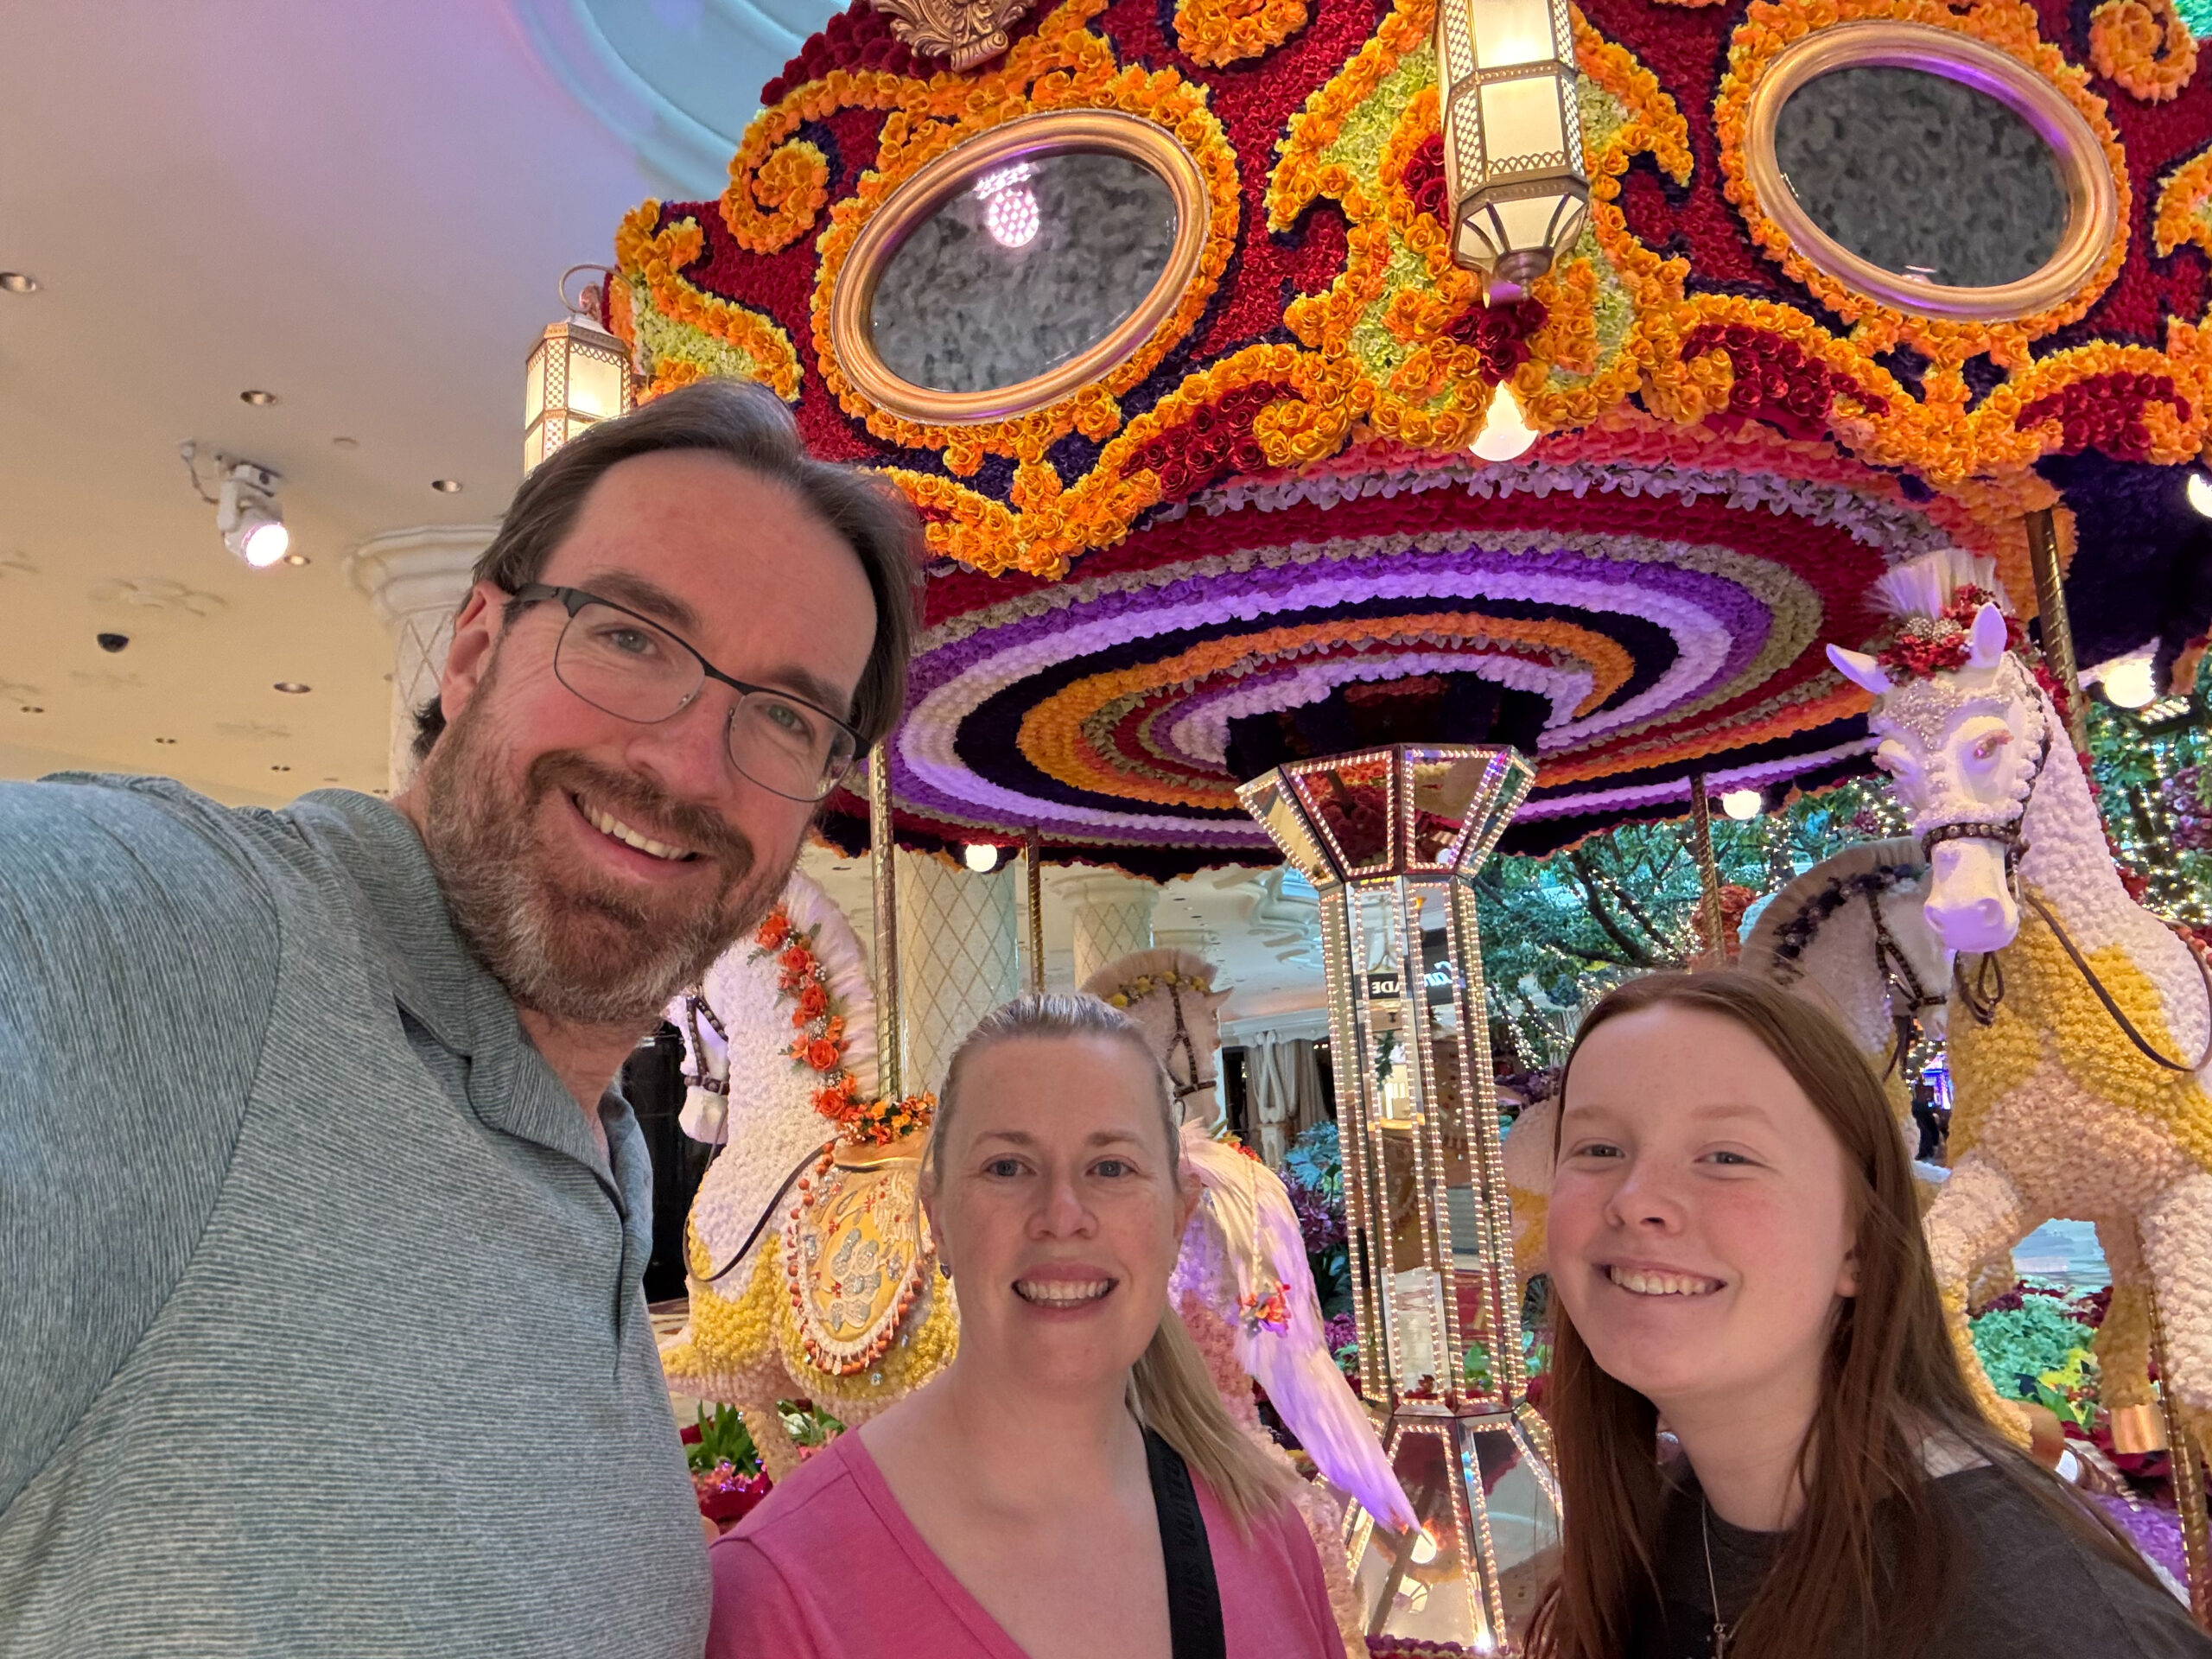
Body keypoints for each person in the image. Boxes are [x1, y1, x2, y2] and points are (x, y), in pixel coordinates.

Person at [0, 379, 921, 1655]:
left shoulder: (609, 1163)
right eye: (632, 637)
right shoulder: (189, 951)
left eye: (781, 714)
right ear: (479, 644)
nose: (684, 764)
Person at [1527, 970, 2210, 1659]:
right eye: (1599, 1150)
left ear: (1859, 1247)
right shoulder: (1655, 1533)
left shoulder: (2042, 1620)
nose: (1636, 1199)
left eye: (1727, 1156)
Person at [706, 994, 1342, 1659]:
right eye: (1007, 1168)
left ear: (1177, 1218)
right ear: (938, 1219)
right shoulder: (780, 1593)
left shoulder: (1269, 1538)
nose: (1062, 1214)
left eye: (1111, 1168)